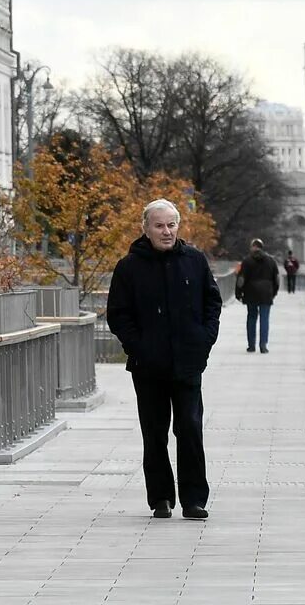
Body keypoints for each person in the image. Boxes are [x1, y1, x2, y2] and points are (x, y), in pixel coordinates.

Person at [106, 198, 222, 521]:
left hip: (187, 364)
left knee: (190, 429)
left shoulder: (194, 261)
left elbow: (212, 304)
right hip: (148, 367)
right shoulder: (129, 267)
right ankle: (160, 498)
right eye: (159, 225)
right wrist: (138, 347)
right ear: (146, 228)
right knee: (154, 434)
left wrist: (203, 341)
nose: (166, 231)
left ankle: (194, 499)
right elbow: (118, 314)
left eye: (171, 225)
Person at [235, 239, 280, 353]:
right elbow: (277, 279)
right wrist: (274, 292)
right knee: (264, 319)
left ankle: (251, 345)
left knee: (251, 318)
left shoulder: (247, 261)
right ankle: (263, 345)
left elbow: (241, 279)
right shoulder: (271, 261)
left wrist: (238, 293)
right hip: (266, 293)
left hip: (251, 293)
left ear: (254, 247)